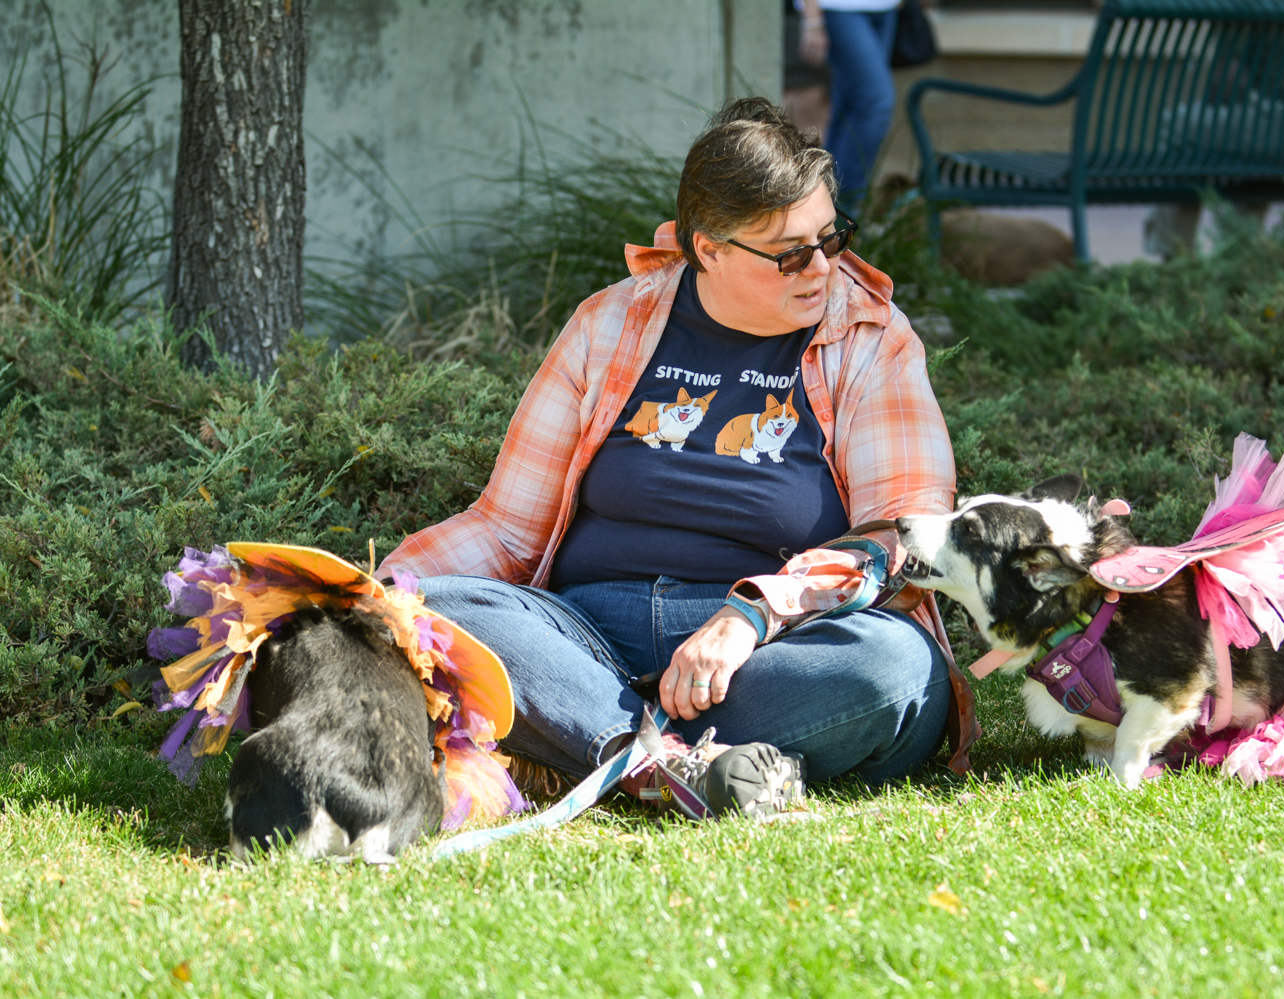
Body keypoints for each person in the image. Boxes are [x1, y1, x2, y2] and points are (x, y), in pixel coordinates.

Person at [378, 98, 978, 821]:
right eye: (788, 251)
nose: (820, 267)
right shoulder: (612, 322)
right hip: (589, 634)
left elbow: (900, 537)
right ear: (710, 248)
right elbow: (505, 528)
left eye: (831, 237)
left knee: (893, 667)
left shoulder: (872, 339)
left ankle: (586, 741)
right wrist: (368, 595)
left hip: (773, 650)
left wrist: (748, 616)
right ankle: (668, 762)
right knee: (433, 608)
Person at [797, 0, 903, 212]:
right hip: (836, 8)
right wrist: (812, 19)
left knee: (848, 108)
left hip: (886, 8)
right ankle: (845, 207)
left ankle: (822, 208)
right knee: (875, 102)